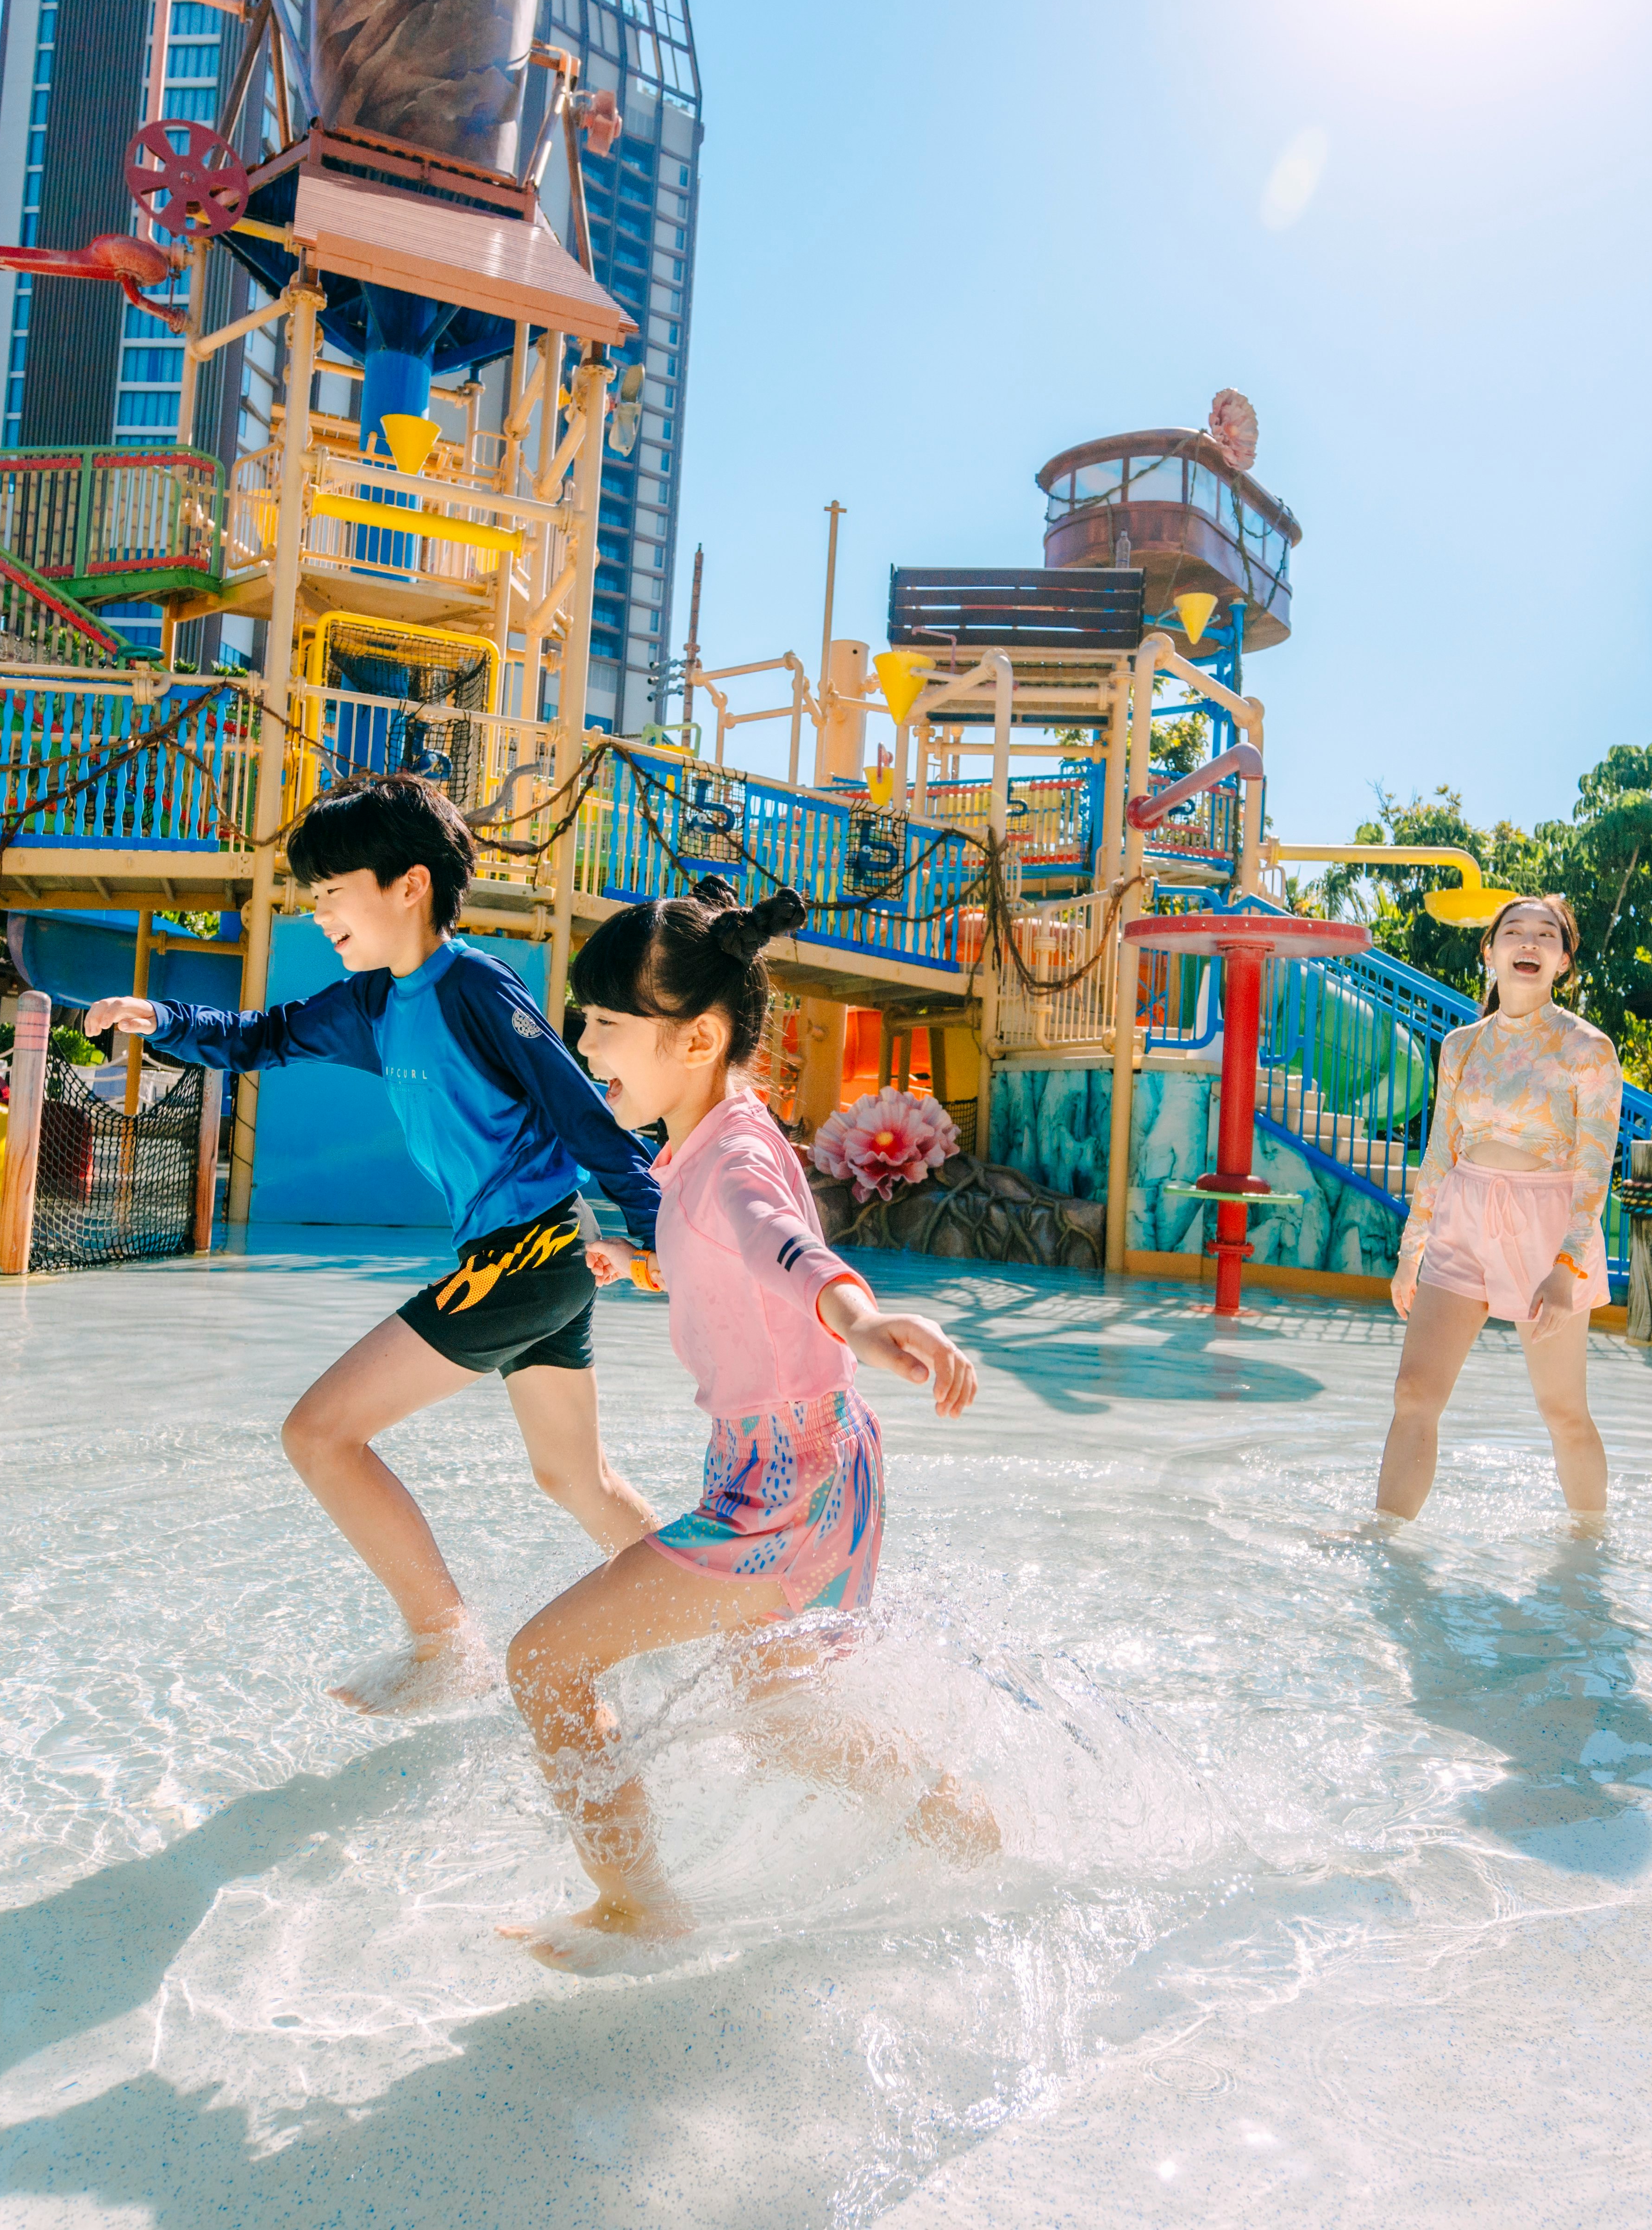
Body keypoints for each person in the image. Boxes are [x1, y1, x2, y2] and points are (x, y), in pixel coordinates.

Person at [81, 773, 667, 1715]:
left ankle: (446, 1644)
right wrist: (167, 1020)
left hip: (534, 1252)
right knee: (572, 1474)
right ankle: (715, 1617)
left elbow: (575, 1106)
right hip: (528, 1256)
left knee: (319, 1434)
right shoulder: (372, 1004)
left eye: (330, 890)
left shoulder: (473, 985)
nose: (318, 912)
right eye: (310, 897)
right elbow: (267, 1035)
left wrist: (657, 1221)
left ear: (410, 885)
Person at [500, 878, 992, 1969]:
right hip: (816, 1460)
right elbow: (734, 1252)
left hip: (784, 1482)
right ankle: (973, 1838)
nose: (585, 1044)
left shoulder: (721, 1158)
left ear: (700, 1037)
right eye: (586, 1020)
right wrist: (644, 1262)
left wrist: (858, 1316)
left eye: (607, 1024)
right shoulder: (716, 1135)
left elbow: (781, 1246)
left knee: (544, 1661)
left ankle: (641, 1911)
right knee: (784, 1724)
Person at [1377, 894, 1621, 1521]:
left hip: (1549, 1229)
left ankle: (1590, 1550)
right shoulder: (1461, 1046)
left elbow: (1596, 1167)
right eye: (1515, 932)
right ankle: (1386, 1546)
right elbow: (1439, 1153)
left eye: (1546, 936)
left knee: (1562, 1411)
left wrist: (1568, 1266)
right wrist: (1413, 1251)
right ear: (1490, 952)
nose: (1529, 944)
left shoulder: (1587, 1049)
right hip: (1463, 1218)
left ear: (1563, 962)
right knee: (1414, 1393)